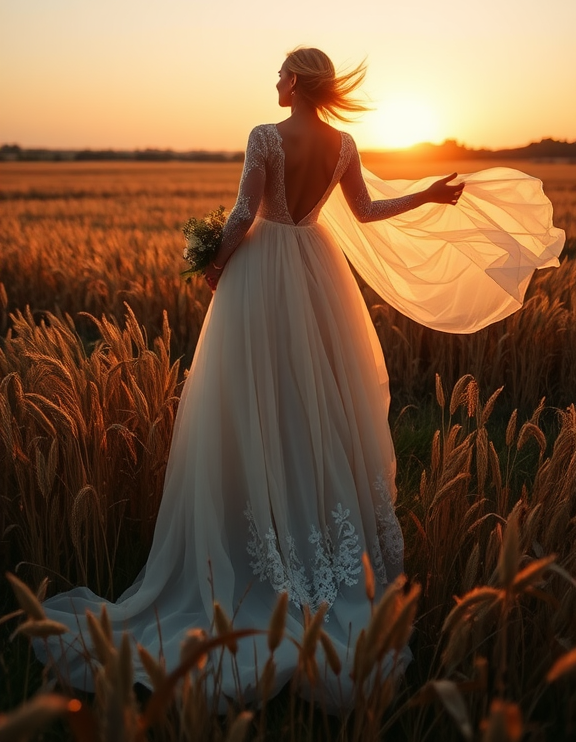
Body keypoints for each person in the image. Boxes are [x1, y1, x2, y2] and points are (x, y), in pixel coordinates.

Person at [37, 47, 564, 710]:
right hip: (318, 277)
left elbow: (242, 216)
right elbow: (366, 214)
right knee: (314, 406)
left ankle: (253, 539)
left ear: (296, 82)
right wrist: (428, 193)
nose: (274, 81)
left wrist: (216, 266)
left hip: (261, 280)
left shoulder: (265, 136)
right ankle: (311, 540)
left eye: (281, 73)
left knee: (252, 401)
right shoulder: (342, 143)